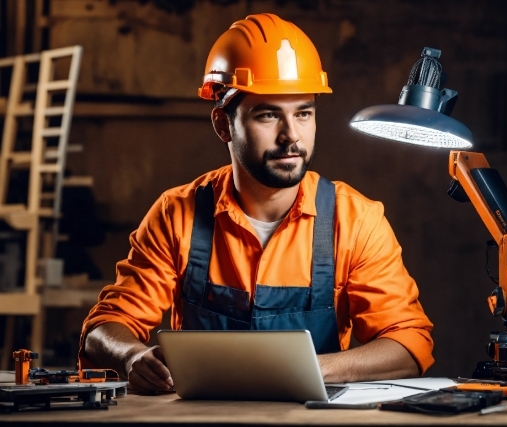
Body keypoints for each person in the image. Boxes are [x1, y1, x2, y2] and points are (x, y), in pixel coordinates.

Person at [79, 13, 434, 393]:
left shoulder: (356, 219)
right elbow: (103, 330)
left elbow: (409, 345)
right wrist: (131, 356)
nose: (291, 136)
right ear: (222, 125)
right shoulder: (176, 214)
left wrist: (306, 368)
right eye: (268, 115)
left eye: (303, 113)